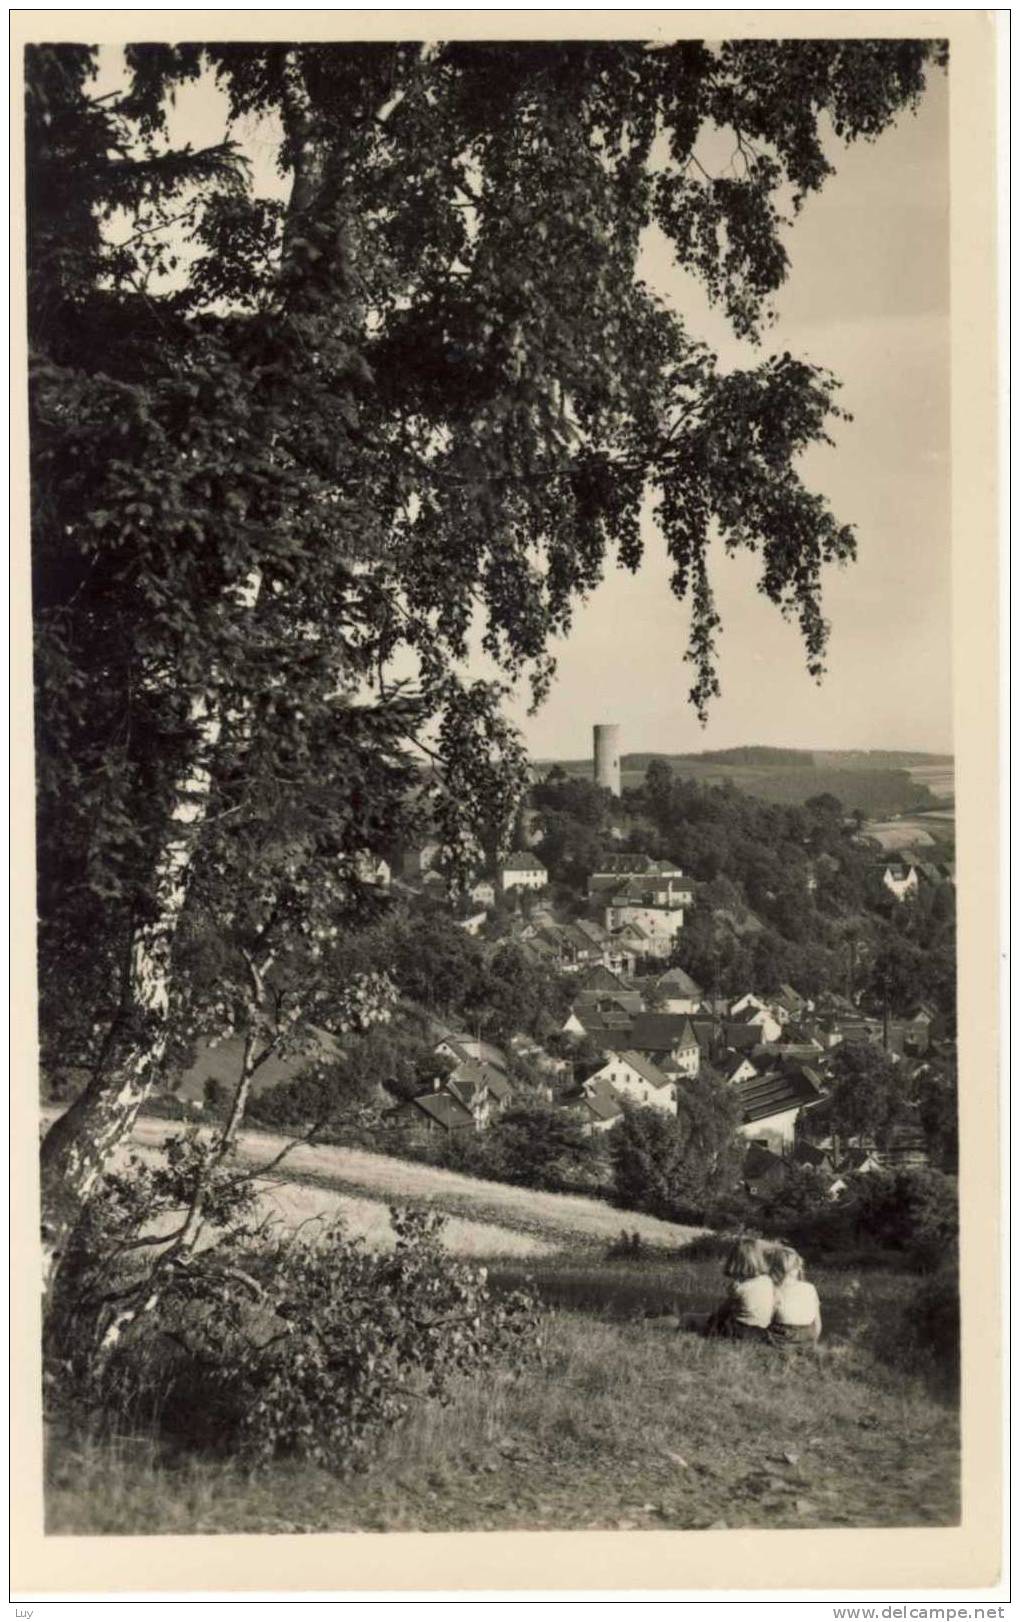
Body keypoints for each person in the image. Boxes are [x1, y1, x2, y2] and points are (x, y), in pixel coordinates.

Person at [698, 1236, 776, 1342]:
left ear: (734, 1261)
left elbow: (722, 1312)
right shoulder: (768, 1281)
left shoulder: (739, 1287)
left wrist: (712, 1320)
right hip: (761, 1330)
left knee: (689, 1318)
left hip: (739, 1330)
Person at [767, 1244, 822, 1346]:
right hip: (809, 1334)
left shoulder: (775, 1289)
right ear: (798, 1267)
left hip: (783, 1335)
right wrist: (814, 1341)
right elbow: (817, 1322)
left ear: (774, 1269)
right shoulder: (810, 1288)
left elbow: (767, 1319)